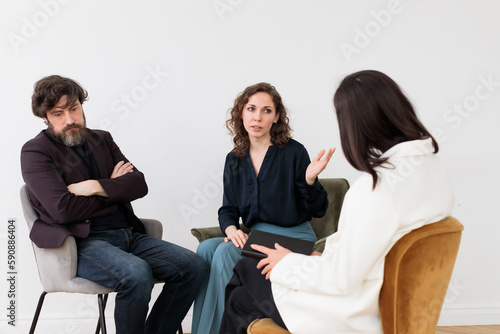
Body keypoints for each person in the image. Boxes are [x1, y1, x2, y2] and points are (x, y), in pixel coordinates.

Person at [219, 70, 455, 334]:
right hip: (383, 299)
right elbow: (365, 250)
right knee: (238, 275)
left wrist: (289, 262)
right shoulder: (434, 167)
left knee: (242, 284)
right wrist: (322, 256)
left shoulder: (374, 187)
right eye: (251, 109)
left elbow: (342, 279)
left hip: (353, 311)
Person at [21, 75, 206, 334]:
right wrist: (112, 188)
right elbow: (63, 210)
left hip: (129, 235)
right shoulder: (35, 152)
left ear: (82, 106)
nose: (70, 119)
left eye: (74, 108)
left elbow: (139, 185)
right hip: (82, 243)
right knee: (137, 274)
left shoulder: (102, 139)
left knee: (193, 266)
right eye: (58, 113)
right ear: (45, 117)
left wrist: (93, 186)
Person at [191, 82, 334, 334]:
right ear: (241, 113)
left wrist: (310, 180)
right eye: (251, 109)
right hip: (256, 235)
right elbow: (228, 208)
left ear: (276, 117)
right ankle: (202, 329)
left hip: (293, 237)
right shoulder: (234, 159)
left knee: (225, 255)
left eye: (266, 111)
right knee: (205, 250)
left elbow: (318, 209)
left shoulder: (293, 152)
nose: (257, 117)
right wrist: (232, 228)